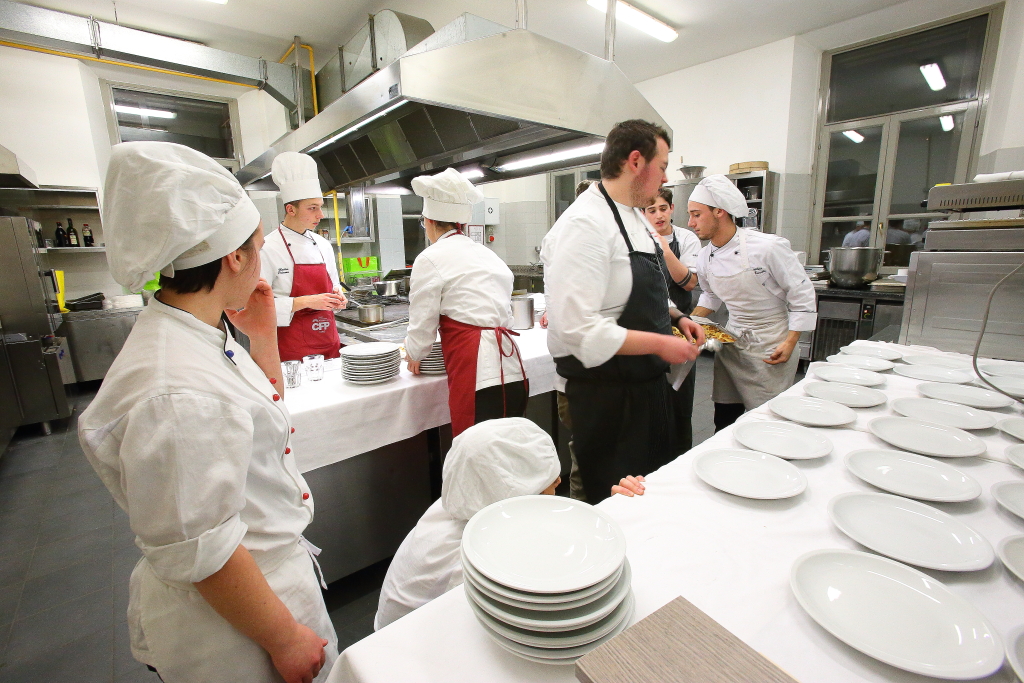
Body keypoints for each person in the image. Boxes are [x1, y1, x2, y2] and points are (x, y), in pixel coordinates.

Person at [79, 142, 337, 682]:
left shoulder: (200, 332)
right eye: (258, 247)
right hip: (237, 629)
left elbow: (260, 417)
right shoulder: (175, 391)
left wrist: (263, 336)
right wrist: (285, 639)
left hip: (266, 586)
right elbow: (202, 546)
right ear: (233, 258)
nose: (262, 259)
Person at [543, 119, 705, 504]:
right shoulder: (585, 225)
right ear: (635, 161)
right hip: (603, 394)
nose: (665, 177)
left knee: (644, 489)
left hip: (642, 386)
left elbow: (643, 288)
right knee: (606, 496)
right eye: (662, 166)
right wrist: (661, 344)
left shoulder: (634, 216)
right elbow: (578, 330)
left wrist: (677, 317)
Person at [373, 418, 560, 630]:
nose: (559, 481)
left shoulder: (463, 501)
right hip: (409, 640)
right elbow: (484, 623)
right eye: (548, 480)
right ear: (511, 487)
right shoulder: (473, 554)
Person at [688, 174, 817, 431]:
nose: (690, 223)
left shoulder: (767, 247)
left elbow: (801, 294)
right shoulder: (705, 256)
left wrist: (791, 341)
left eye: (696, 215)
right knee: (725, 416)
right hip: (732, 342)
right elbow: (710, 296)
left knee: (767, 419)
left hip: (772, 343)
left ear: (719, 212)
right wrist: (687, 322)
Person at [405, 168, 527, 437]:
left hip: (477, 375)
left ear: (429, 221)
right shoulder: (488, 255)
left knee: (476, 453)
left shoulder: (430, 258)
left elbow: (422, 322)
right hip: (513, 370)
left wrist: (415, 353)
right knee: (509, 450)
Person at [261, 151, 347, 362]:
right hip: (292, 349)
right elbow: (258, 307)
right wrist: (307, 301)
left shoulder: (323, 244)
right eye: (312, 208)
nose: (321, 215)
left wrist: (338, 297)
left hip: (329, 341)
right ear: (290, 209)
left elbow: (334, 286)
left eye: (320, 207)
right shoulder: (267, 247)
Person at [645, 186, 702, 455]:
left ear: (672, 209)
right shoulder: (637, 240)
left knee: (680, 402)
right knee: (652, 403)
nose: (658, 215)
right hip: (649, 331)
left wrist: (665, 249)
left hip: (681, 329)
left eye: (663, 209)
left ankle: (680, 457)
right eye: (651, 210)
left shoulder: (686, 239)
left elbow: (688, 282)